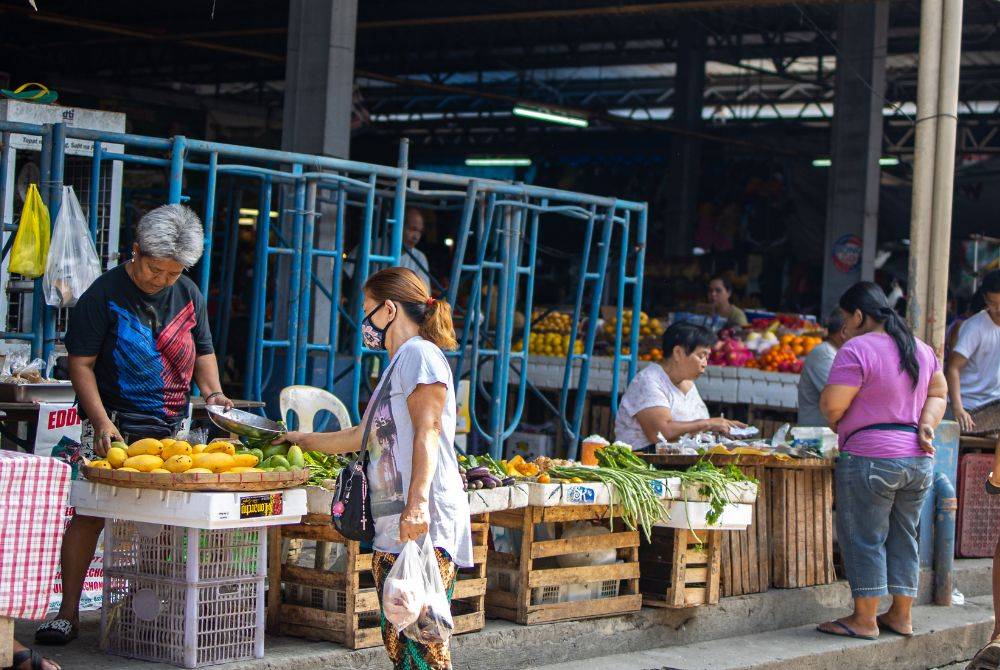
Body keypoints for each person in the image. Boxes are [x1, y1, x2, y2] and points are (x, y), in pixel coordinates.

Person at [35, 204, 233, 646]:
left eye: (172, 272)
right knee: (90, 513)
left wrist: (214, 394)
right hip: (115, 423)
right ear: (136, 249)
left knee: (162, 522)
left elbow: (203, 351)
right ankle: (67, 613)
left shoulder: (188, 292)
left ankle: (149, 612)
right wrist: (102, 421)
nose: (161, 280)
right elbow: (80, 365)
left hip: (170, 426)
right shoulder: (103, 294)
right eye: (155, 269)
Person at [281, 266, 471, 670]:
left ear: (388, 309)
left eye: (368, 310)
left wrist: (417, 504)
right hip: (393, 526)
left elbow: (429, 429)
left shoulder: (420, 356)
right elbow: (359, 436)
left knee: (424, 646)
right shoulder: (397, 364)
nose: (364, 322)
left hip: (423, 524)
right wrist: (298, 440)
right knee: (401, 644)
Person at [816, 282, 947, 641]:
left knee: (864, 536)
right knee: (905, 536)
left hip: (870, 457)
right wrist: (927, 425)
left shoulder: (857, 347)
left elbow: (832, 406)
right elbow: (939, 393)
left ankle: (864, 619)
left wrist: (842, 420)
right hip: (918, 460)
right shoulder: (921, 348)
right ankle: (901, 616)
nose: (843, 327)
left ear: (858, 316)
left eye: (845, 318)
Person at [614, 321, 746, 450]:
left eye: (707, 357)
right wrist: (710, 424)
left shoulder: (688, 384)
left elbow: (695, 428)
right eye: (701, 356)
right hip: (644, 463)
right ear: (678, 353)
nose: (705, 363)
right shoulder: (648, 381)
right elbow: (661, 434)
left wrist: (719, 428)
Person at [947, 271, 1000, 438]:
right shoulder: (975, 327)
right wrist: (957, 408)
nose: (998, 309)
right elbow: (953, 368)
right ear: (985, 300)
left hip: (994, 406)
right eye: (993, 303)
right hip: (970, 407)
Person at [345, 207, 432, 289]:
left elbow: (423, 295)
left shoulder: (420, 258)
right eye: (412, 229)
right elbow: (344, 275)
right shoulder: (369, 246)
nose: (416, 237)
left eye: (420, 231)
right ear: (398, 225)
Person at [797, 309, 847, 427]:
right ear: (843, 332)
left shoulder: (834, 353)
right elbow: (839, 398)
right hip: (816, 437)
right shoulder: (825, 356)